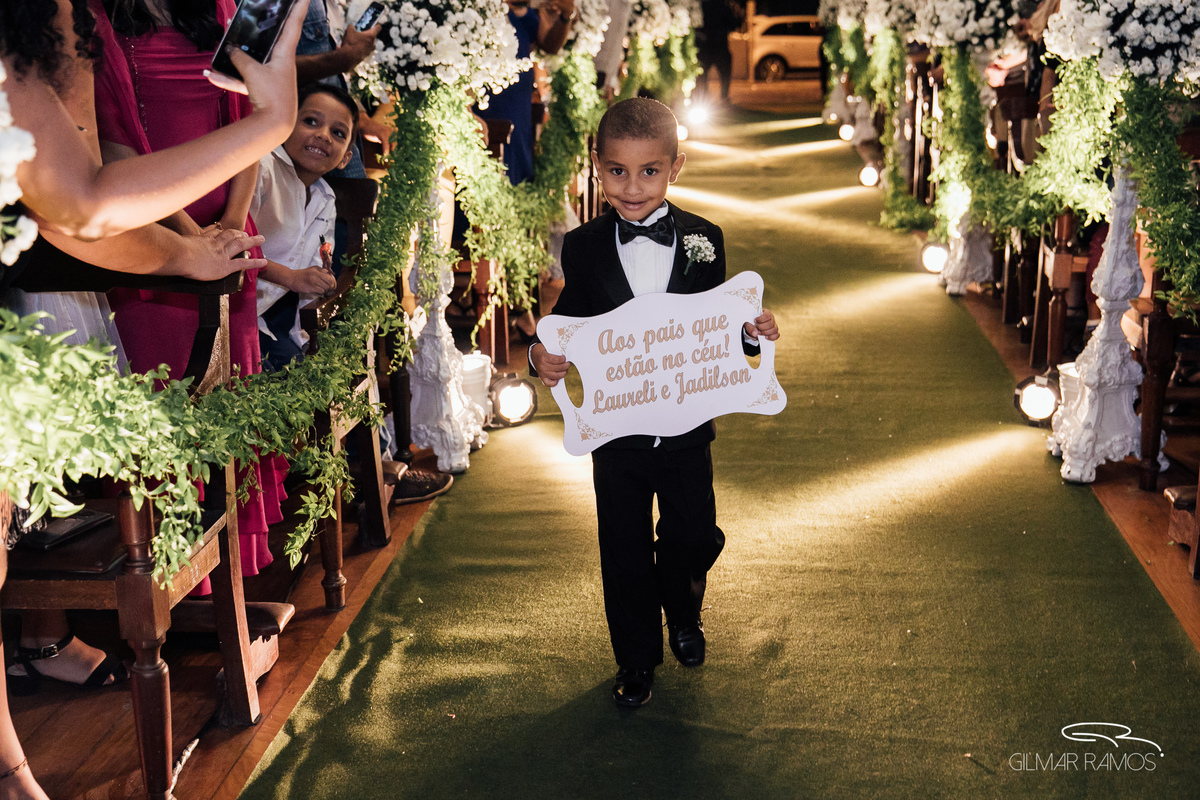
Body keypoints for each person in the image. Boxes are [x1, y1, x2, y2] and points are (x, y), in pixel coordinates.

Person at [530, 98, 779, 707]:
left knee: (695, 535)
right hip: (616, 429)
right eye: (618, 171)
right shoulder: (584, 247)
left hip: (688, 425)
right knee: (624, 548)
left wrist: (749, 335)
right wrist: (542, 356)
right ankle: (636, 659)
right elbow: (569, 322)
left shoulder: (704, 239)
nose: (633, 186)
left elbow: (714, 326)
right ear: (598, 168)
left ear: (676, 167)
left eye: (649, 171)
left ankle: (683, 608)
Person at [92, 0, 290, 593]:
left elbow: (254, 128)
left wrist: (232, 222)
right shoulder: (101, 18)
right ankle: (173, 582)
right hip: (151, 237)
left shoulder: (221, 8)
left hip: (231, 229)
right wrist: (189, 239)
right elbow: (115, 146)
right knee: (168, 399)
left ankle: (229, 570)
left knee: (232, 400)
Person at [252, 82, 353, 371]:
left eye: (338, 133)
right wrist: (292, 277)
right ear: (286, 125)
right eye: (311, 121)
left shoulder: (325, 198)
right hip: (235, 313)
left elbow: (314, 267)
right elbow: (230, 246)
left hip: (279, 322)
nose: (323, 136)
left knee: (315, 378)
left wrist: (320, 281)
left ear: (346, 157)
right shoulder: (262, 168)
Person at [695, 0, 742, 106]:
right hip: (711, 47)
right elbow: (734, 25)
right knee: (704, 77)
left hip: (713, 47)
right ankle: (720, 99)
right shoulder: (720, 5)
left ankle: (719, 99)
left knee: (706, 77)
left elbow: (734, 25)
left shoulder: (720, 5)